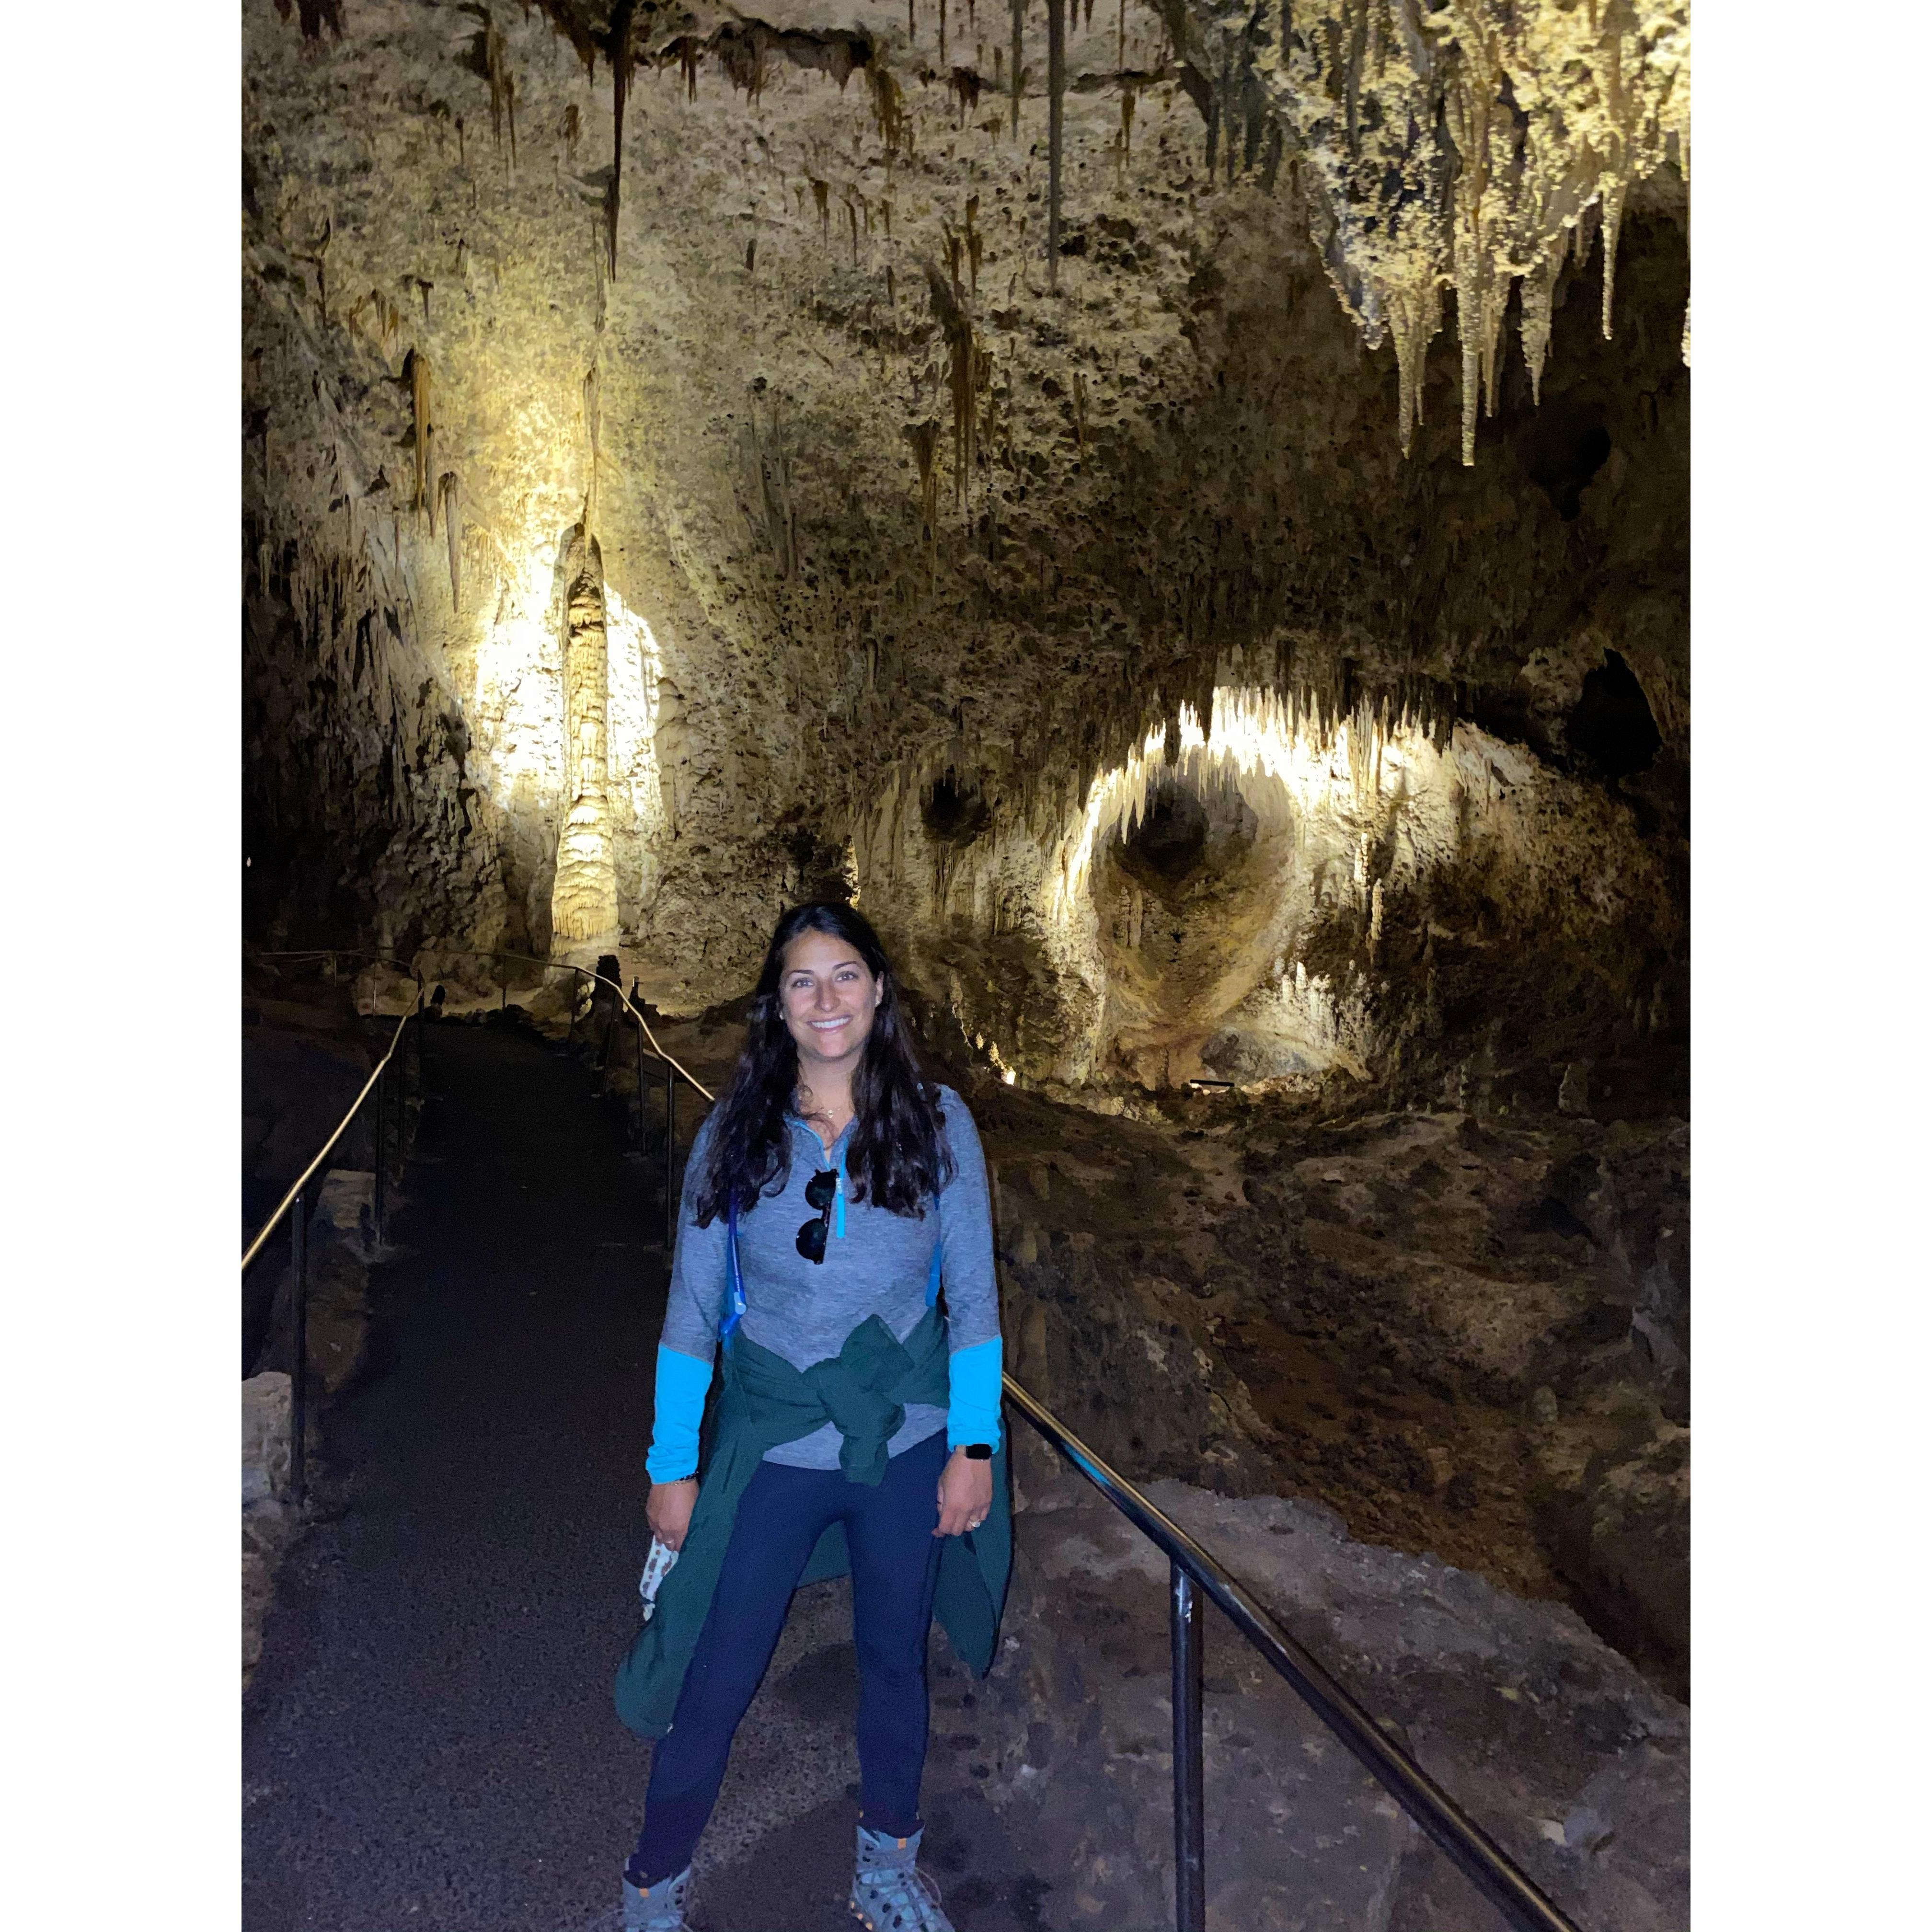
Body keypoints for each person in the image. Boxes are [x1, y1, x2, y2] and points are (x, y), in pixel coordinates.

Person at [613, 902, 1011, 1932]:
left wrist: (975, 1445)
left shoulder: (938, 1121)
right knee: (720, 1666)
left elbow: (972, 1298)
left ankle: (886, 1865)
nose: (826, 999)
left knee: (892, 1660)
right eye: (803, 981)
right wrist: (672, 1463)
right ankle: (654, 1880)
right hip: (777, 1442)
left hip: (906, 1436)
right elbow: (692, 1313)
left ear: (879, 991)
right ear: (777, 1006)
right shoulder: (735, 1134)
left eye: (845, 977)